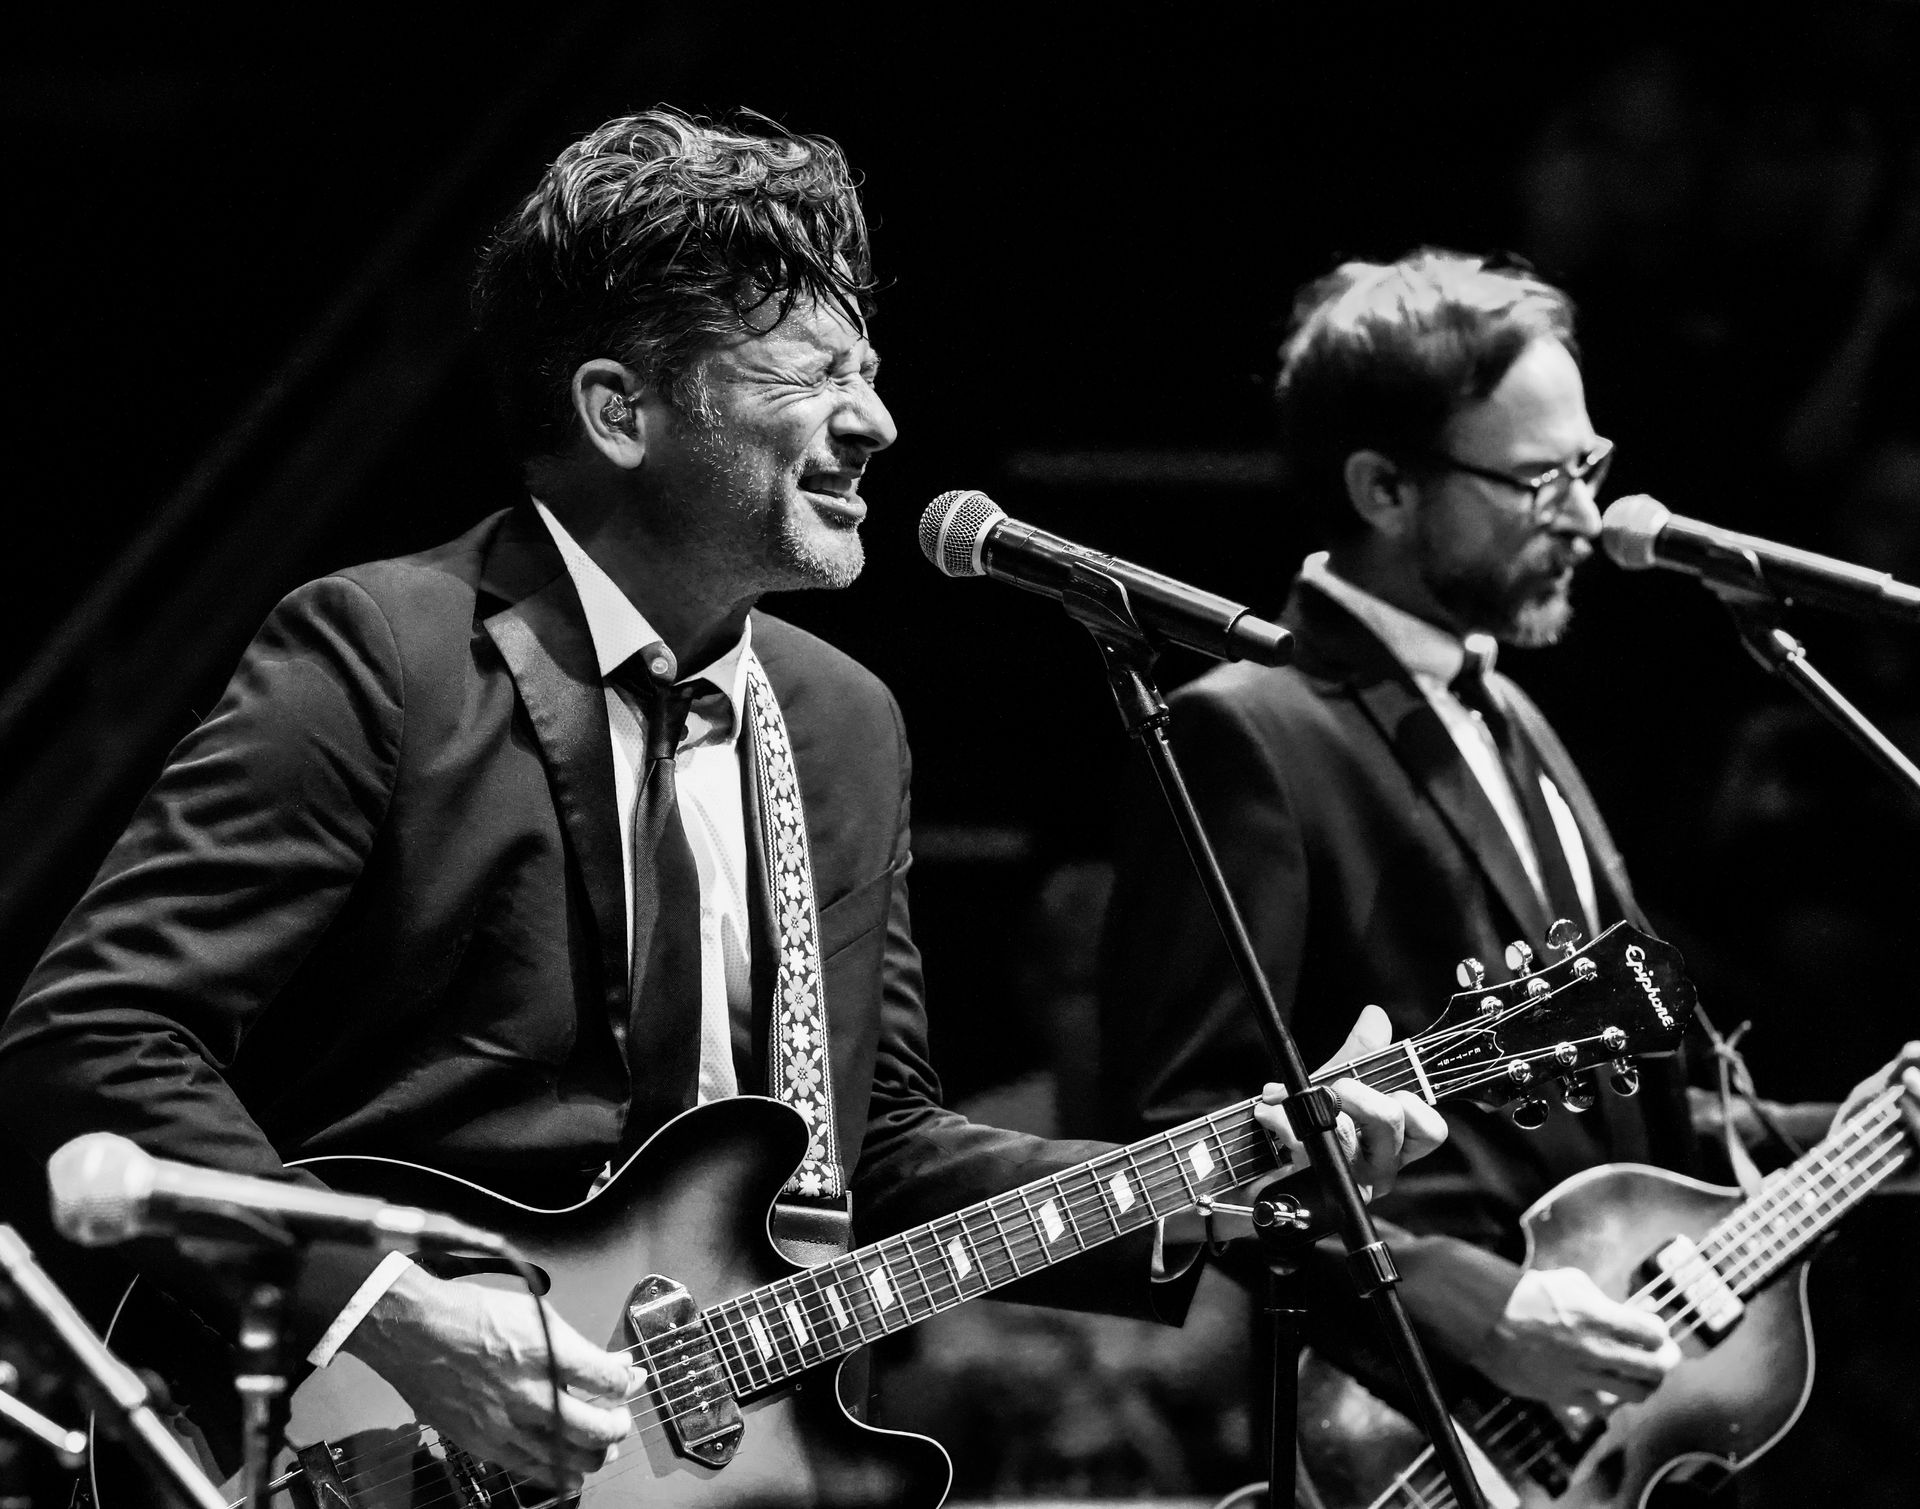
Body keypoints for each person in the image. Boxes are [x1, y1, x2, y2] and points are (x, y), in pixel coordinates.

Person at [0, 110, 1443, 1497]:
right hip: (346, 1449)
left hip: (704, 1472)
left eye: (868, 371)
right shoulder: (387, 653)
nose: (874, 420)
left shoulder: (843, 724)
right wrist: (385, 1311)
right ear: (619, 410)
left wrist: (1240, 1168)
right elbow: (97, 1030)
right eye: (808, 376)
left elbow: (870, 1154)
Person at [1096, 249, 1916, 1448]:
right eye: (1539, 480)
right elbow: (1181, 1130)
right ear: (1383, 488)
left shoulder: (1507, 706)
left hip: (1601, 1432)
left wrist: (1874, 1132)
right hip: (1414, 1424)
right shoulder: (1252, 728)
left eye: (1589, 466)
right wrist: (1475, 1304)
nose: (1585, 516)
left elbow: (1657, 1120)